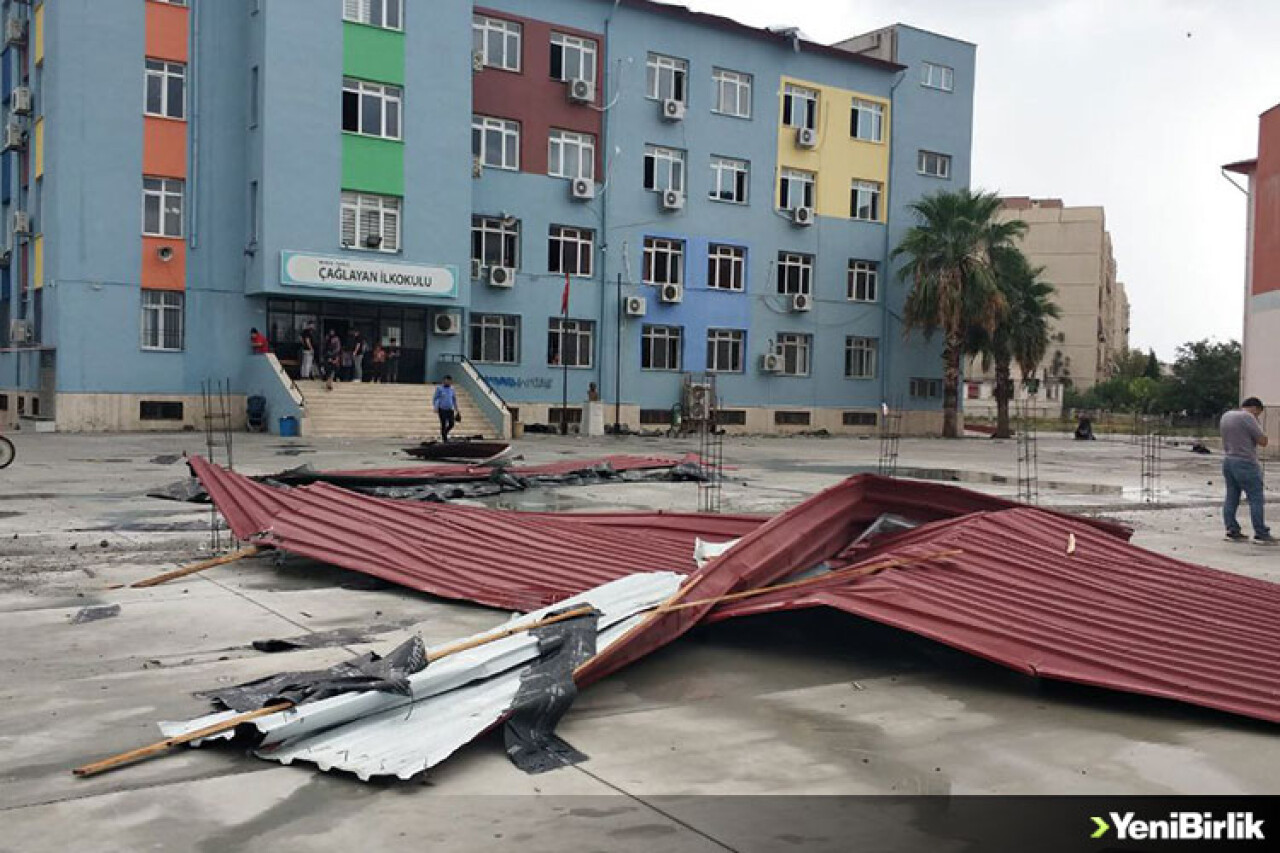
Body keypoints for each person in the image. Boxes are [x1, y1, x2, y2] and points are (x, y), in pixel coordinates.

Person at [1221, 397, 1274, 544]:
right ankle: (1261, 533)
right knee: (1256, 498)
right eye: (1258, 414)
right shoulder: (1248, 417)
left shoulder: (1226, 416)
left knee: (1231, 496)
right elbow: (1263, 441)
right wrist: (1257, 423)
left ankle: (1232, 530)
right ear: (1255, 408)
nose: (1257, 416)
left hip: (1228, 460)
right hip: (1246, 462)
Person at [433, 375, 459, 442]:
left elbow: (454, 399)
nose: (448, 382)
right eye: (446, 381)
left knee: (451, 423)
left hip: (450, 409)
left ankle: (445, 433)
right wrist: (436, 407)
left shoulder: (452, 389)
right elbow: (436, 398)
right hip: (442, 409)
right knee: (443, 423)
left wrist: (457, 409)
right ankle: (444, 438)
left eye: (449, 381)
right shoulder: (439, 388)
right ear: (444, 381)